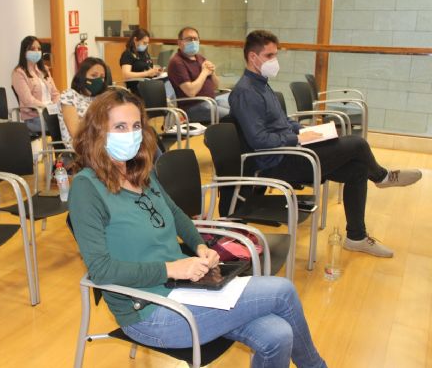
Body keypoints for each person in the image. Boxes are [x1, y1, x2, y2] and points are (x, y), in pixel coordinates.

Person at [69, 89, 326, 368]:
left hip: (184, 288)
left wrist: (201, 246)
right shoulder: (86, 188)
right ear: (98, 133)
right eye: (120, 127)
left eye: (136, 126)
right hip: (148, 311)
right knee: (282, 291)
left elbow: (176, 215)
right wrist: (171, 269)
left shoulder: (139, 171)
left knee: (278, 334)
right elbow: (101, 270)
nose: (130, 134)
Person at [229, 30, 422, 258]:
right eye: (269, 56)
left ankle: (356, 237)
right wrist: (297, 138)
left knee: (358, 170)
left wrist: (307, 131)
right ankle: (382, 177)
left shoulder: (262, 85)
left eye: (275, 55)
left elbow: (283, 122)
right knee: (358, 144)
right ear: (253, 57)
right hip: (278, 162)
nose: (275, 61)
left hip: (293, 151)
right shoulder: (245, 92)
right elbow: (259, 140)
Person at [167, 26, 230, 122]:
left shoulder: (200, 58)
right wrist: (204, 73)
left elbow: (216, 86)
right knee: (233, 116)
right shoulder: (177, 62)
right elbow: (191, 92)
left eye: (195, 39)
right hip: (193, 107)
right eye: (189, 39)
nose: (193, 42)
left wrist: (212, 72)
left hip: (211, 101)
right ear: (179, 43)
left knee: (238, 109)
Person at [57, 57, 110, 149]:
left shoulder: (99, 98)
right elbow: (76, 133)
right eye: (94, 75)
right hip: (82, 149)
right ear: (82, 76)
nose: (98, 80)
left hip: (102, 145)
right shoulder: (70, 95)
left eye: (102, 77)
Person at [11, 35, 60, 133]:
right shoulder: (19, 73)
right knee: (64, 123)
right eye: (32, 49)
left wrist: (55, 107)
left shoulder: (44, 69)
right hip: (34, 118)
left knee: (72, 118)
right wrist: (48, 109)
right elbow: (28, 100)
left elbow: (55, 93)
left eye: (39, 49)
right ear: (24, 51)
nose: (37, 51)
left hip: (51, 113)